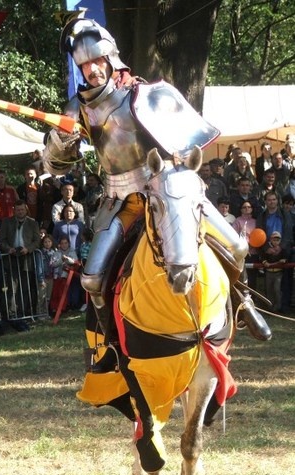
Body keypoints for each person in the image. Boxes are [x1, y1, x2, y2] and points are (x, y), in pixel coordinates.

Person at [43, 18, 270, 341]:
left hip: (163, 191)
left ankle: (243, 302)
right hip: (119, 201)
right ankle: (111, 342)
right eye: (84, 65)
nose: (92, 69)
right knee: (91, 278)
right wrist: (60, 142)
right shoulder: (76, 109)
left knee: (236, 245)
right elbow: (55, 166)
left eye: (96, 60)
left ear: (110, 58)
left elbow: (180, 144)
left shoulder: (140, 93)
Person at [0, 199, 40, 321]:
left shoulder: (33, 223)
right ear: (14, 210)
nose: (20, 212)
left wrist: (28, 249)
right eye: (18, 210)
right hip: (11, 257)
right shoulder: (6, 222)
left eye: (22, 209)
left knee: (26, 286)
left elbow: (37, 241)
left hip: (26, 257)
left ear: (26, 210)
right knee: (12, 287)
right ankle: (12, 313)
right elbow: (2, 240)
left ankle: (25, 312)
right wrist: (8, 249)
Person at [232, 202, 259, 290]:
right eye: (244, 207)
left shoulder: (256, 221)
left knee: (252, 278)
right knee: (242, 277)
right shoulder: (237, 221)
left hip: (253, 252)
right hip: (242, 253)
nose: (247, 209)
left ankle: (253, 296)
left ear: (252, 209)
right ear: (241, 209)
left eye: (249, 207)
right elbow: (234, 236)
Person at [261, 231, 288, 313]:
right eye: (274, 240)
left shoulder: (282, 249)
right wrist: (265, 262)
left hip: (278, 273)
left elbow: (285, 258)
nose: (276, 242)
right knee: (269, 290)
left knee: (277, 289)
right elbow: (262, 257)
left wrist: (284, 260)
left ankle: (278, 307)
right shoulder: (267, 249)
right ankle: (270, 308)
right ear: (271, 240)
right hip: (268, 272)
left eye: (278, 240)